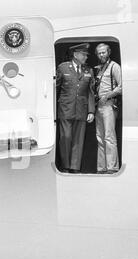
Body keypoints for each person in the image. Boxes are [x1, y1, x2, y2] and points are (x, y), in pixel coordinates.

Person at [56, 43, 95, 173]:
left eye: (86, 55)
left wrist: (91, 111)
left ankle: (74, 167)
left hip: (81, 110)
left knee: (79, 140)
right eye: (83, 55)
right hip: (66, 109)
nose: (85, 57)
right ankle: (65, 166)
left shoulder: (88, 70)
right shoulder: (63, 68)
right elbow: (56, 89)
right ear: (75, 55)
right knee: (66, 138)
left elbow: (90, 92)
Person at [94, 43, 122, 174]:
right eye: (99, 53)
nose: (101, 55)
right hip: (99, 106)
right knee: (99, 137)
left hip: (109, 105)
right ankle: (101, 168)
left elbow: (121, 87)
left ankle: (112, 167)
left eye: (103, 52)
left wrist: (107, 96)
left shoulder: (114, 66)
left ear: (108, 52)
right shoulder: (99, 68)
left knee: (109, 137)